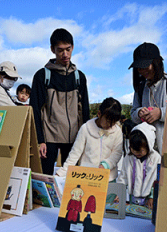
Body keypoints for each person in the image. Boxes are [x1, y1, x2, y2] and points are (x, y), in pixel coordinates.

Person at [30, 28, 90, 175]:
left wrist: (85, 139)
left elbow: (85, 110)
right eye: (60, 50)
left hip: (74, 138)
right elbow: (35, 110)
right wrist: (40, 140)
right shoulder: (42, 75)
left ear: (73, 47)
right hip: (49, 138)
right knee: (44, 177)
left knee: (71, 180)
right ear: (52, 50)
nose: (65, 54)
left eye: (68, 49)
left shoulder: (79, 77)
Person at [56, 97, 123, 182]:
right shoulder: (86, 128)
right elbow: (75, 153)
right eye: (108, 120)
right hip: (87, 177)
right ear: (99, 114)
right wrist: (61, 172)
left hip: (108, 178)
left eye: (114, 122)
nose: (110, 125)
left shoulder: (117, 131)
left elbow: (117, 152)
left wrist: (106, 165)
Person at [116, 122, 161, 209]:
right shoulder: (129, 158)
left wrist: (152, 196)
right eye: (134, 150)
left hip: (149, 200)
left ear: (149, 146)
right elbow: (123, 176)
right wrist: (118, 193)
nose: (136, 153)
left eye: (140, 151)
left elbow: (156, 180)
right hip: (132, 197)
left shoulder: (155, 158)